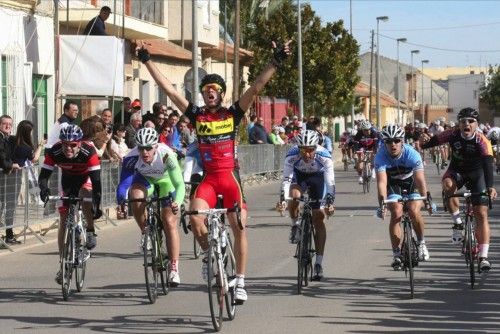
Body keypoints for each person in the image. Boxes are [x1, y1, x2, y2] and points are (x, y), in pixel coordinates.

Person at [136, 39, 292, 303]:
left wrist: (275, 62)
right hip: (209, 179)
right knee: (194, 217)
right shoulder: (197, 116)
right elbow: (169, 91)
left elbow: (256, 87)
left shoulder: (233, 113)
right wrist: (147, 60)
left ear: (221, 93)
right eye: (206, 89)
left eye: (215, 89)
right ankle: (210, 252)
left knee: (239, 225)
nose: (210, 92)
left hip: (230, 177)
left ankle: (240, 281)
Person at [419, 108, 497, 271]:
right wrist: (423, 141)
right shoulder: (452, 134)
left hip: (477, 175)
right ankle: (457, 223)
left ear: (477, 124)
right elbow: (430, 143)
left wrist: (490, 187)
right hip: (457, 171)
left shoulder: (482, 141)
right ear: (459, 124)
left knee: (481, 213)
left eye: (470, 121)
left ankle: (483, 257)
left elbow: (488, 166)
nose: (466, 124)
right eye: (463, 121)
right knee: (447, 184)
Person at [116, 127, 185, 285]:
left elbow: (179, 184)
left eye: (148, 148)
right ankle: (146, 231)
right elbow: (124, 184)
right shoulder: (131, 157)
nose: (144, 152)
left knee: (169, 222)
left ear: (156, 146)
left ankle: (174, 268)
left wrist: (178, 202)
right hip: (146, 181)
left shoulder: (166, 154)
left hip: (166, 182)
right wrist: (121, 201)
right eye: (141, 148)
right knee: (135, 197)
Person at [38, 125, 102, 284]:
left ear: (80, 143)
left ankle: (90, 230)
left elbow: (97, 182)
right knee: (64, 219)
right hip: (68, 180)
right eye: (65, 144)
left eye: (73, 145)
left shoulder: (89, 152)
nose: (68, 148)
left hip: (86, 177)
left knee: (86, 195)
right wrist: (44, 189)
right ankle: (63, 264)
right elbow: (44, 175)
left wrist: (97, 204)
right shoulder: (55, 151)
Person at [280, 130, 335, 280]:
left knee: (318, 217)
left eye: (310, 149)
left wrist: (330, 199)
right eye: (303, 149)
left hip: (318, 179)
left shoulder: (324, 156)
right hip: (300, 177)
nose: (307, 153)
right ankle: (295, 225)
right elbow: (286, 179)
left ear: (316, 148)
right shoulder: (292, 155)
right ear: (298, 148)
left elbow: (330, 182)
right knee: (295, 196)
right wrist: (283, 198)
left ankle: (318, 263)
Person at [375, 125, 432, 269]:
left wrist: (426, 198)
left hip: (411, 182)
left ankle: (421, 243)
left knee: (413, 210)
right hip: (393, 184)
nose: (393, 144)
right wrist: (382, 203)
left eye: (396, 140)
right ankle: (396, 254)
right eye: (388, 141)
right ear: (384, 143)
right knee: (396, 211)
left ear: (402, 141)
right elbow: (382, 182)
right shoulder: (380, 156)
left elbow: (419, 179)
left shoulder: (412, 154)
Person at [0, 115, 22, 245]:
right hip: (2, 180)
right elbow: (1, 157)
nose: (8, 126)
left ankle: (9, 235)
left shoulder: (10, 139)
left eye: (10, 124)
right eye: (4, 124)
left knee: (9, 209)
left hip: (10, 180)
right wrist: (10, 165)